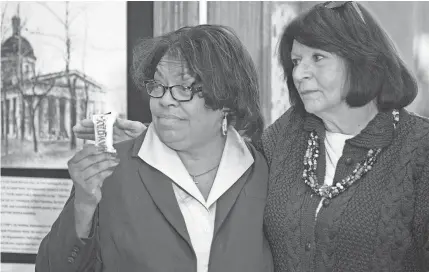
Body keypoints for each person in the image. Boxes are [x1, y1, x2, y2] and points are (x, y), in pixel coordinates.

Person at [72, 2, 429, 271]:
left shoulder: (419, 148)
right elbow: (221, 144)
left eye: (317, 58)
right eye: (295, 61)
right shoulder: (287, 137)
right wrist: (156, 135)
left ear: (364, 60)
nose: (300, 73)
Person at [35, 25, 274, 272]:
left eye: (184, 88)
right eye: (157, 85)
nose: (164, 99)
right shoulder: (111, 170)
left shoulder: (261, 171)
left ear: (226, 99)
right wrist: (83, 207)